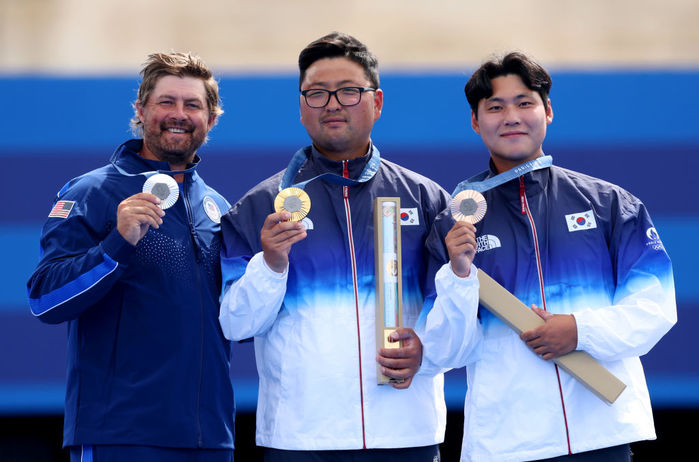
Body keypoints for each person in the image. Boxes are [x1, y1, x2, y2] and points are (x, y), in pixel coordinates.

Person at [419, 51, 678, 461]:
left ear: (548, 110)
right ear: (475, 120)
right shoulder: (452, 224)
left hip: (602, 433)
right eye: (495, 107)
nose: (511, 116)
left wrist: (579, 329)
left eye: (525, 103)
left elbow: (655, 309)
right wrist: (460, 275)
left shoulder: (610, 204)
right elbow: (445, 350)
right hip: (507, 441)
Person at [218, 32, 450, 461]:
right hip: (301, 439)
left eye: (348, 91)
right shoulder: (258, 206)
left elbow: (456, 312)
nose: (332, 104)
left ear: (377, 102)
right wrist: (270, 264)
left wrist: (429, 350)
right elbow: (236, 325)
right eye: (317, 94)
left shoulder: (427, 200)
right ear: (301, 107)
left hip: (405, 433)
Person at [27, 52, 235, 462]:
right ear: (140, 110)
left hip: (210, 438)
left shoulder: (218, 207)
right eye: (166, 102)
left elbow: (236, 318)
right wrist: (117, 243)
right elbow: (43, 299)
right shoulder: (92, 192)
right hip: (120, 435)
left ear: (211, 119)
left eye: (193, 105)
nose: (179, 114)